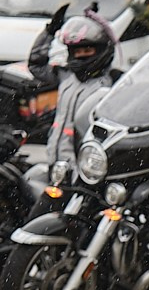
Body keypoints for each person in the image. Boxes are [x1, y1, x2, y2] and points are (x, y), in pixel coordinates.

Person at [43, 9, 118, 175]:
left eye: (87, 51)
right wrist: (48, 32)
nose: (81, 56)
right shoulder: (66, 76)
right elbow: (36, 65)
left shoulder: (111, 84)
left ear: (100, 50)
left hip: (84, 171)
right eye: (77, 52)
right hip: (56, 166)